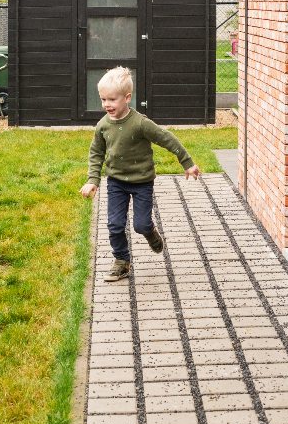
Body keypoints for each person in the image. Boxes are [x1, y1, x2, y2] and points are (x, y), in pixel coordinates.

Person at [80, 66, 201, 281]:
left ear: (127, 98)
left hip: (142, 182)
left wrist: (187, 162)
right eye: (103, 99)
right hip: (116, 181)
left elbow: (166, 138)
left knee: (141, 225)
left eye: (112, 99)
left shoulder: (140, 123)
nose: (106, 104)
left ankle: (151, 233)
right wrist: (93, 180)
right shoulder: (103, 125)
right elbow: (96, 152)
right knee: (115, 225)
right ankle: (121, 262)